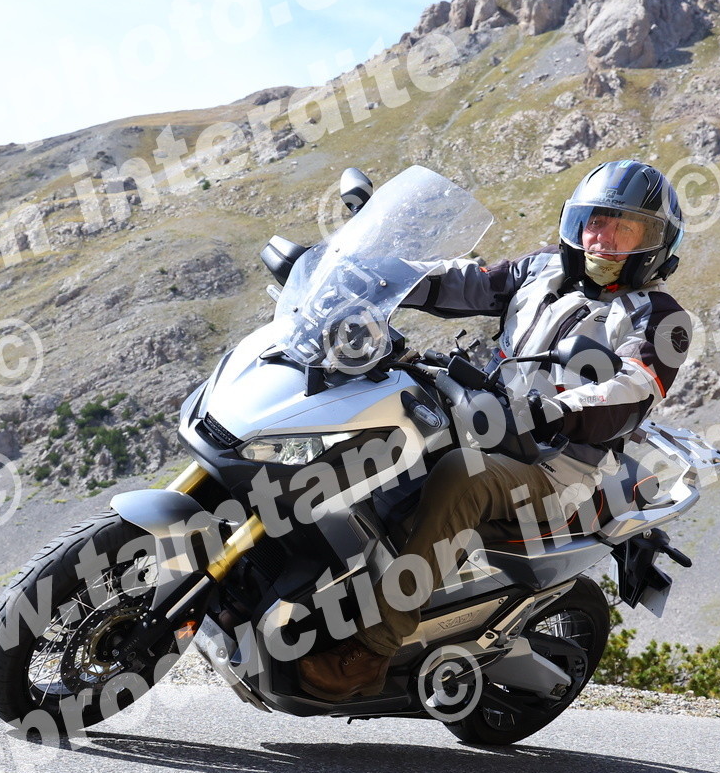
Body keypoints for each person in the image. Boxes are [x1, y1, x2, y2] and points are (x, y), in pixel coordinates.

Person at [297, 159, 694, 702]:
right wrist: (368, 273)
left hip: (559, 468)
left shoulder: (661, 318)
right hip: (487, 421)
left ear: (655, 243)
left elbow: (629, 391)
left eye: (624, 229)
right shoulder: (542, 269)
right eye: (596, 223)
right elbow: (466, 283)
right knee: (379, 425)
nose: (603, 239)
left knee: (462, 477)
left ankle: (372, 649)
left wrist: (550, 410)